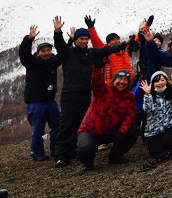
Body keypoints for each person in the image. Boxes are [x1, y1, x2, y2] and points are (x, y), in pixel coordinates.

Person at [53, 16, 130, 168]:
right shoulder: (67, 53)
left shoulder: (92, 53)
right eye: (81, 39)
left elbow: (107, 49)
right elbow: (59, 44)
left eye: (85, 39)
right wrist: (57, 31)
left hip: (86, 94)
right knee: (66, 124)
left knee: (83, 123)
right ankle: (62, 155)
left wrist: (123, 44)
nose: (84, 41)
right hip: (69, 94)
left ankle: (76, 150)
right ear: (75, 40)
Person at [76, 64, 138, 171]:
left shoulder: (130, 96)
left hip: (111, 130)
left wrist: (121, 132)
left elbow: (130, 116)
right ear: (114, 80)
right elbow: (96, 79)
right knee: (85, 148)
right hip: (91, 130)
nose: (122, 82)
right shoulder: (103, 89)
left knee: (133, 129)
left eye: (125, 80)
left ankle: (116, 156)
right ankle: (88, 162)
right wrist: (97, 65)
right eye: (119, 78)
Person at [19, 25, 61, 162]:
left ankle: (56, 149)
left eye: (48, 50)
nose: (46, 53)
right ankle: (37, 153)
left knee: (57, 126)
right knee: (38, 130)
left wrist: (64, 36)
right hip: (35, 102)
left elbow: (64, 53)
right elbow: (23, 54)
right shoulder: (32, 63)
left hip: (50, 101)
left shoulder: (53, 62)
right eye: (43, 51)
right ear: (38, 53)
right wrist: (29, 39)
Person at [140, 71, 172, 159]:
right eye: (157, 81)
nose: (160, 83)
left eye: (162, 80)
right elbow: (147, 109)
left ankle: (167, 144)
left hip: (168, 126)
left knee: (169, 142)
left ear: (166, 81)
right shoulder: (150, 95)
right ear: (153, 83)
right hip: (154, 130)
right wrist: (147, 94)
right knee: (156, 153)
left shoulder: (170, 92)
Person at [84, 15, 135, 84]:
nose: (117, 41)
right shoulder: (106, 52)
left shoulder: (125, 50)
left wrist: (145, 27)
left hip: (128, 84)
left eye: (118, 39)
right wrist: (91, 28)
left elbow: (135, 39)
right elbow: (96, 42)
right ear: (108, 43)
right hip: (112, 84)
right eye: (114, 40)